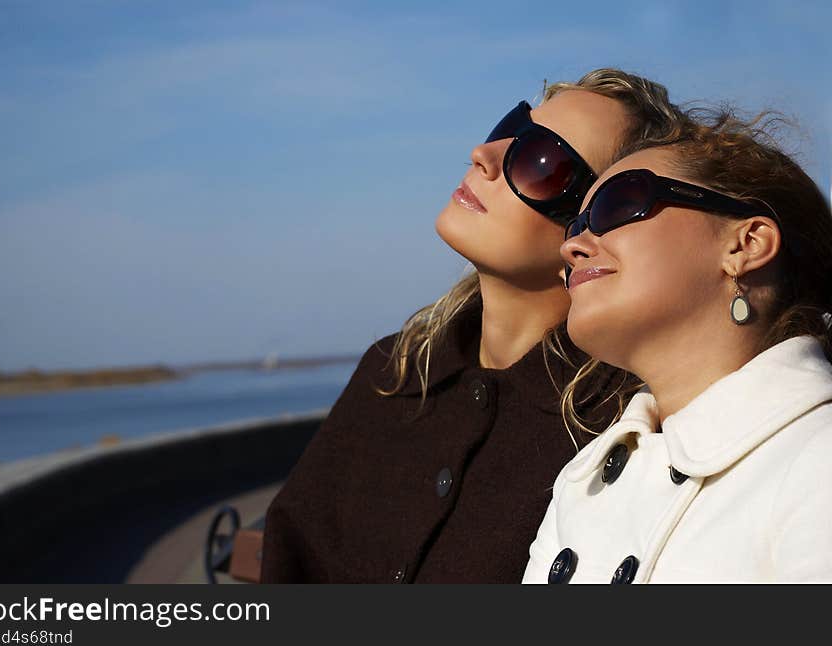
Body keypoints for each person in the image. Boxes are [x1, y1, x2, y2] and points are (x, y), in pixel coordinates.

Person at [261, 69, 686, 583]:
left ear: (598, 227)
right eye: (508, 128)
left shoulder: (623, 427)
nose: (482, 156)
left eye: (538, 161)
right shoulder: (396, 372)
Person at [523, 108, 832, 583]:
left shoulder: (818, 458)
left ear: (745, 244)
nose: (573, 246)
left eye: (618, 204)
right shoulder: (582, 480)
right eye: (576, 225)